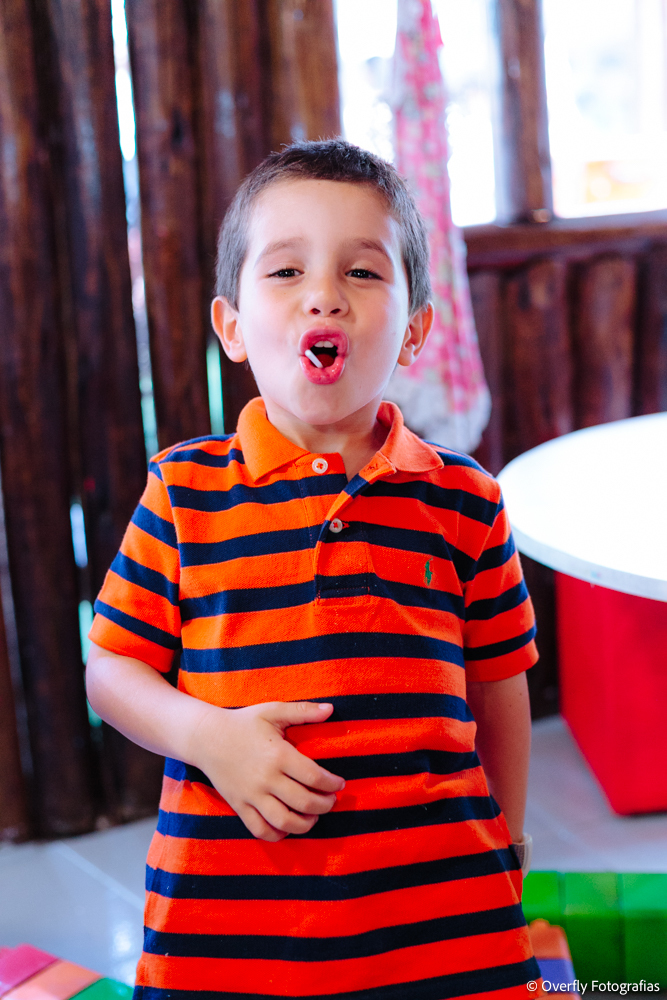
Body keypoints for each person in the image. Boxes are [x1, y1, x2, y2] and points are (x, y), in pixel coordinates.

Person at [86, 139, 541, 1000]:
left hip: (444, 920)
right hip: (225, 931)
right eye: (286, 272)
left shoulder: (467, 503)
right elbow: (112, 670)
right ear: (231, 326)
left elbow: (498, 687)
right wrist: (206, 737)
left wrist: (507, 848)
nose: (323, 296)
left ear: (413, 332)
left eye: (362, 275)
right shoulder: (185, 493)